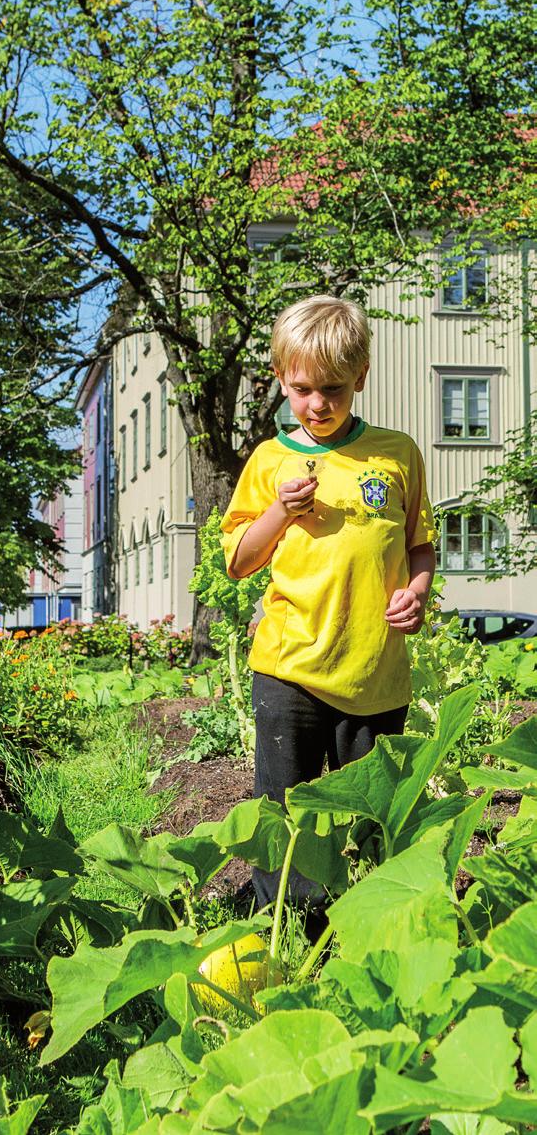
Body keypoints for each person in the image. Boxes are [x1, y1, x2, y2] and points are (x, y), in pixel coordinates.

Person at [220, 295, 436, 927]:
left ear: (361, 377)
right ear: (283, 381)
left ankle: (371, 923)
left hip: (375, 672)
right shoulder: (270, 462)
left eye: (334, 388)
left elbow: (420, 547)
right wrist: (279, 511)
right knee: (283, 812)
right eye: (303, 388)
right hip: (289, 668)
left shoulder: (396, 453)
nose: (319, 403)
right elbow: (240, 560)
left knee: (376, 814)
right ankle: (286, 927)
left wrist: (417, 593)